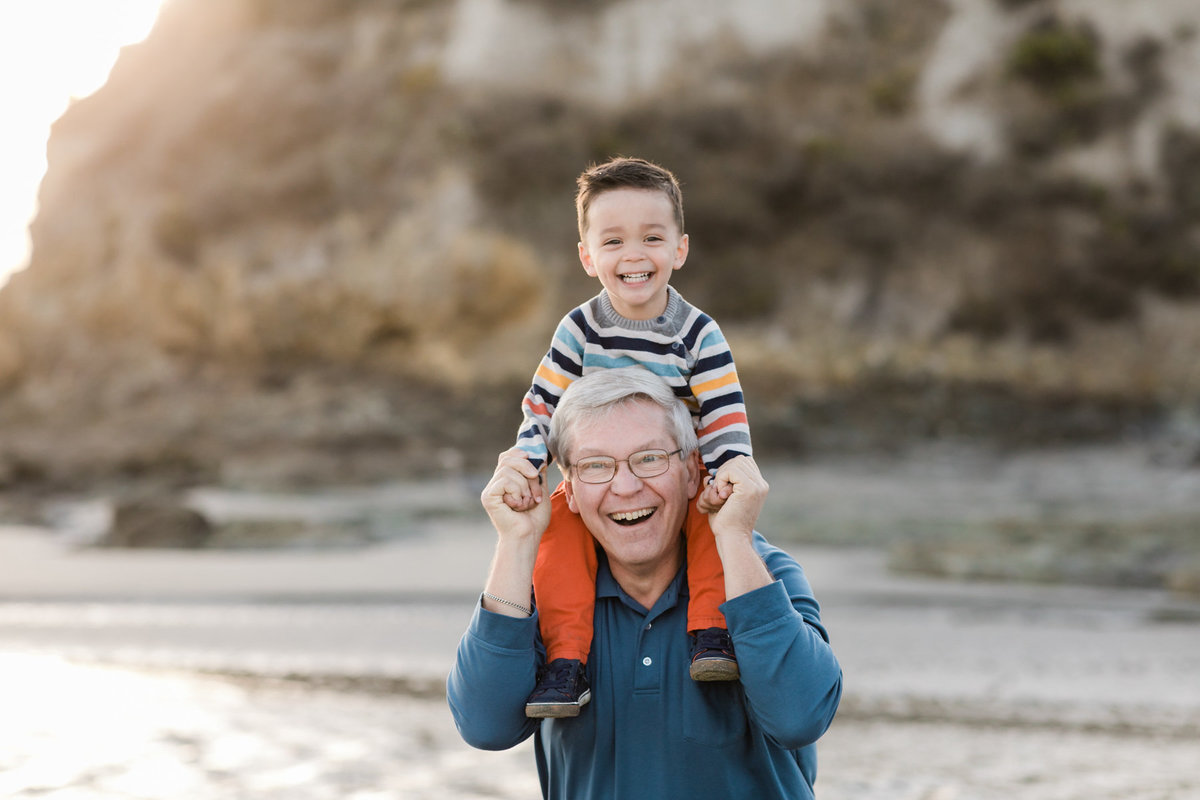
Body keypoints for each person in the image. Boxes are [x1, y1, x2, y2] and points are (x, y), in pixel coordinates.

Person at [448, 367, 843, 800]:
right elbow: (485, 727)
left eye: (650, 458)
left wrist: (732, 536)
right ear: (571, 490)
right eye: (596, 465)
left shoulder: (763, 574)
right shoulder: (539, 593)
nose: (626, 486)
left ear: (693, 471)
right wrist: (517, 540)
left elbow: (801, 716)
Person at [508, 156, 754, 717]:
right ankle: (566, 665)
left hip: (676, 474)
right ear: (588, 256)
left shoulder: (697, 333)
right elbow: (543, 402)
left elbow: (722, 411)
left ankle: (711, 636)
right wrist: (528, 463)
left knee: (711, 529)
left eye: (652, 238)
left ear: (680, 249)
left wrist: (726, 472)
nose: (635, 255)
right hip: (594, 475)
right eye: (613, 241)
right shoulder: (579, 328)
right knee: (557, 544)